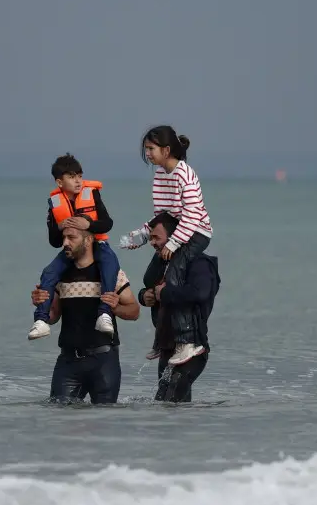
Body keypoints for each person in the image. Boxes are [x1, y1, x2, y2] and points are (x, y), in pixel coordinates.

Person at [119, 125, 214, 366]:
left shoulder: (185, 174)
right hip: (176, 233)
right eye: (146, 149)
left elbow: (192, 217)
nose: (148, 154)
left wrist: (173, 243)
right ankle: (163, 340)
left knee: (173, 278)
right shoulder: (160, 175)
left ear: (167, 149)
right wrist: (141, 236)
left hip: (196, 233)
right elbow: (162, 216)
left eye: (151, 149)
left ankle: (187, 342)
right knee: (153, 279)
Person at [31, 225, 140, 404]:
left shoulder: (111, 275)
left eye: (71, 238)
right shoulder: (60, 274)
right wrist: (39, 303)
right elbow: (53, 316)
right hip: (68, 361)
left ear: (88, 240)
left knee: (105, 418)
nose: (65, 243)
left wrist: (115, 308)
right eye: (64, 238)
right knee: (58, 417)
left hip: (104, 359)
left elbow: (134, 311)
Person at [30, 154, 121, 341]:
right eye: (72, 177)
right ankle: (41, 320)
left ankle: (104, 315)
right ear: (59, 182)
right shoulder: (54, 203)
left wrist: (88, 225)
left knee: (110, 266)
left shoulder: (92, 194)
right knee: (48, 273)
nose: (78, 181)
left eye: (80, 176)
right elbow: (54, 241)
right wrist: (60, 226)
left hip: (98, 245)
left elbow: (107, 223)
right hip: (71, 248)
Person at [140, 212, 220, 403]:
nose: (152, 242)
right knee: (166, 404)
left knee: (170, 402)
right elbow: (152, 285)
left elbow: (200, 293)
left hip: (193, 348)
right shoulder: (165, 263)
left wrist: (164, 294)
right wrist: (144, 296)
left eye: (156, 237)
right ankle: (183, 431)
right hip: (168, 347)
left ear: (175, 237)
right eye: (150, 238)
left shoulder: (200, 263)